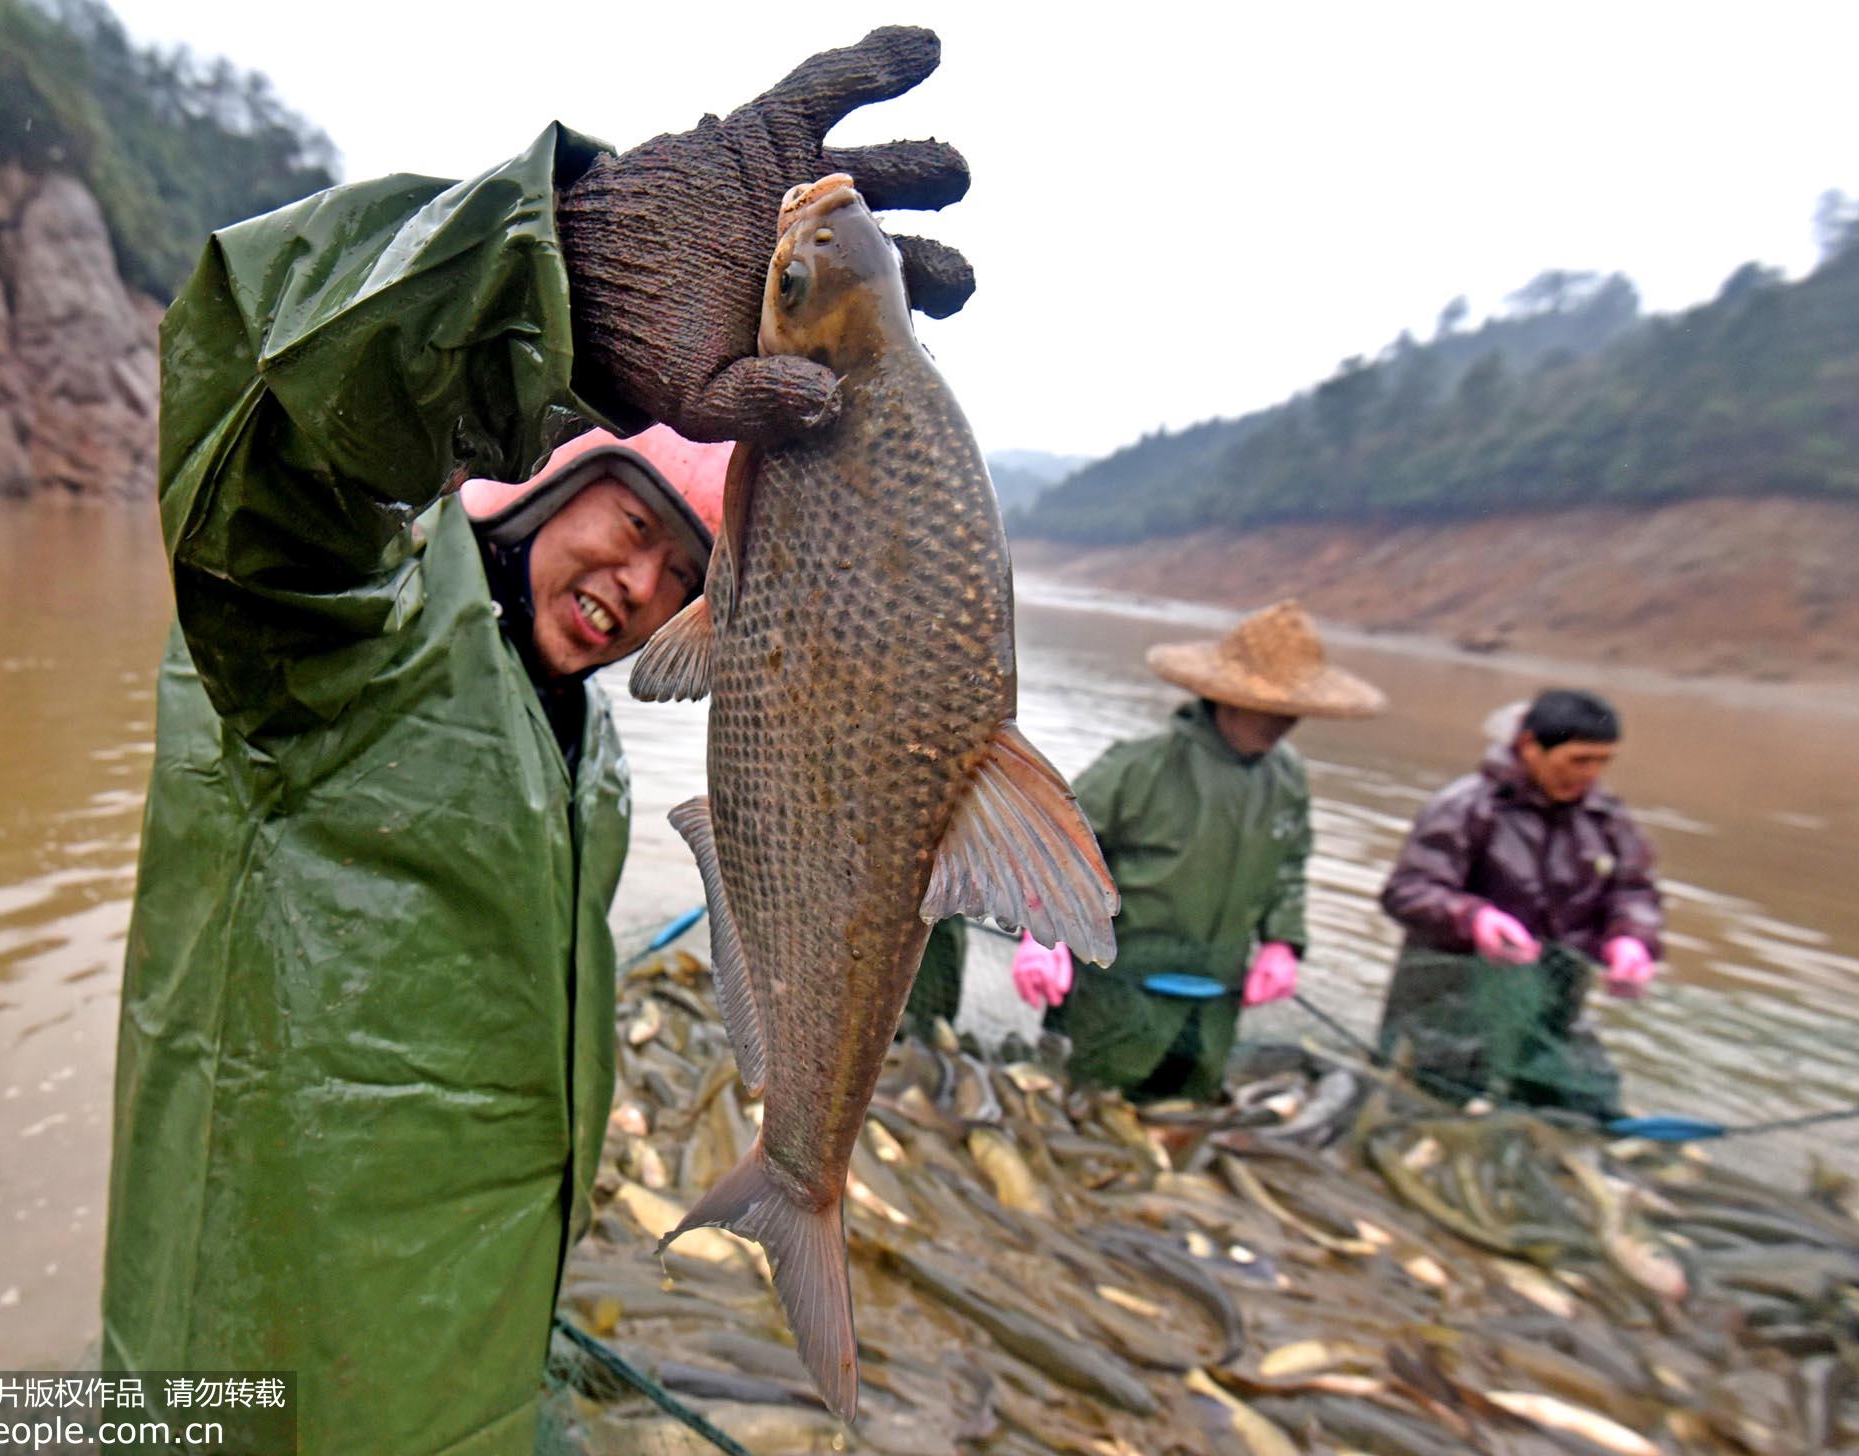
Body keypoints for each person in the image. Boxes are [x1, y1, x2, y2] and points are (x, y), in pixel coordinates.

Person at [100, 29, 974, 1456]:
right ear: (537, 487)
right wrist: (551, 271)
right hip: (265, 1354)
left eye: (684, 575)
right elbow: (269, 422)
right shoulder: (338, 628)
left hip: (476, 1344)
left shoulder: (589, 744)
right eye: (632, 526)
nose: (639, 588)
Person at [1010, 601, 1386, 1100]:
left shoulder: (1287, 776)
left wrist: (1282, 942)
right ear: (1224, 698)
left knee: (1189, 1113)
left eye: (1294, 711)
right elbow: (1053, 847)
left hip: (1215, 1000)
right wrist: (1041, 936)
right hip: (1117, 993)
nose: (1285, 723)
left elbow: (1289, 866)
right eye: (1272, 708)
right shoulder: (1141, 765)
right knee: (1091, 1111)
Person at [1376, 688, 1663, 1120]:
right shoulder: (1465, 808)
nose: (1590, 774)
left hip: (1551, 1007)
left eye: (1602, 761)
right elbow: (1408, 890)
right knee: (1430, 1108)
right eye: (1578, 760)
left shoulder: (1607, 820)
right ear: (1529, 745)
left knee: (1585, 1112)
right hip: (1447, 1009)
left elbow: (1634, 890)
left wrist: (1631, 939)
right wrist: (1475, 918)